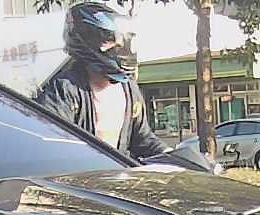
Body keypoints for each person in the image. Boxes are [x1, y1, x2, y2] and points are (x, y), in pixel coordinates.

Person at [33, 2, 170, 160]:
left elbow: (143, 139)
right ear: (88, 41)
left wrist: (171, 155)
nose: (120, 49)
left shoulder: (129, 88)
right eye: (109, 41)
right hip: (82, 173)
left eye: (122, 42)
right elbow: (53, 143)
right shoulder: (64, 88)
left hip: (118, 173)